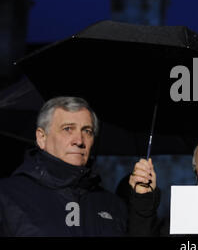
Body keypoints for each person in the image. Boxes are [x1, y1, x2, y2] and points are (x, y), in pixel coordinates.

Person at [0, 96, 128, 236]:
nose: (79, 141)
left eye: (87, 131)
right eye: (68, 129)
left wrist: (143, 210)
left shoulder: (113, 205)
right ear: (42, 138)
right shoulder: (7, 196)